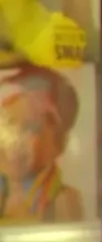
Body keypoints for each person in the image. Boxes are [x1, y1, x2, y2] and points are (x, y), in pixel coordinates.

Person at [0, 64, 83, 223]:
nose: (15, 141)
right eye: (7, 125)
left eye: (30, 128)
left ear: (59, 143)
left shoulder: (61, 201)